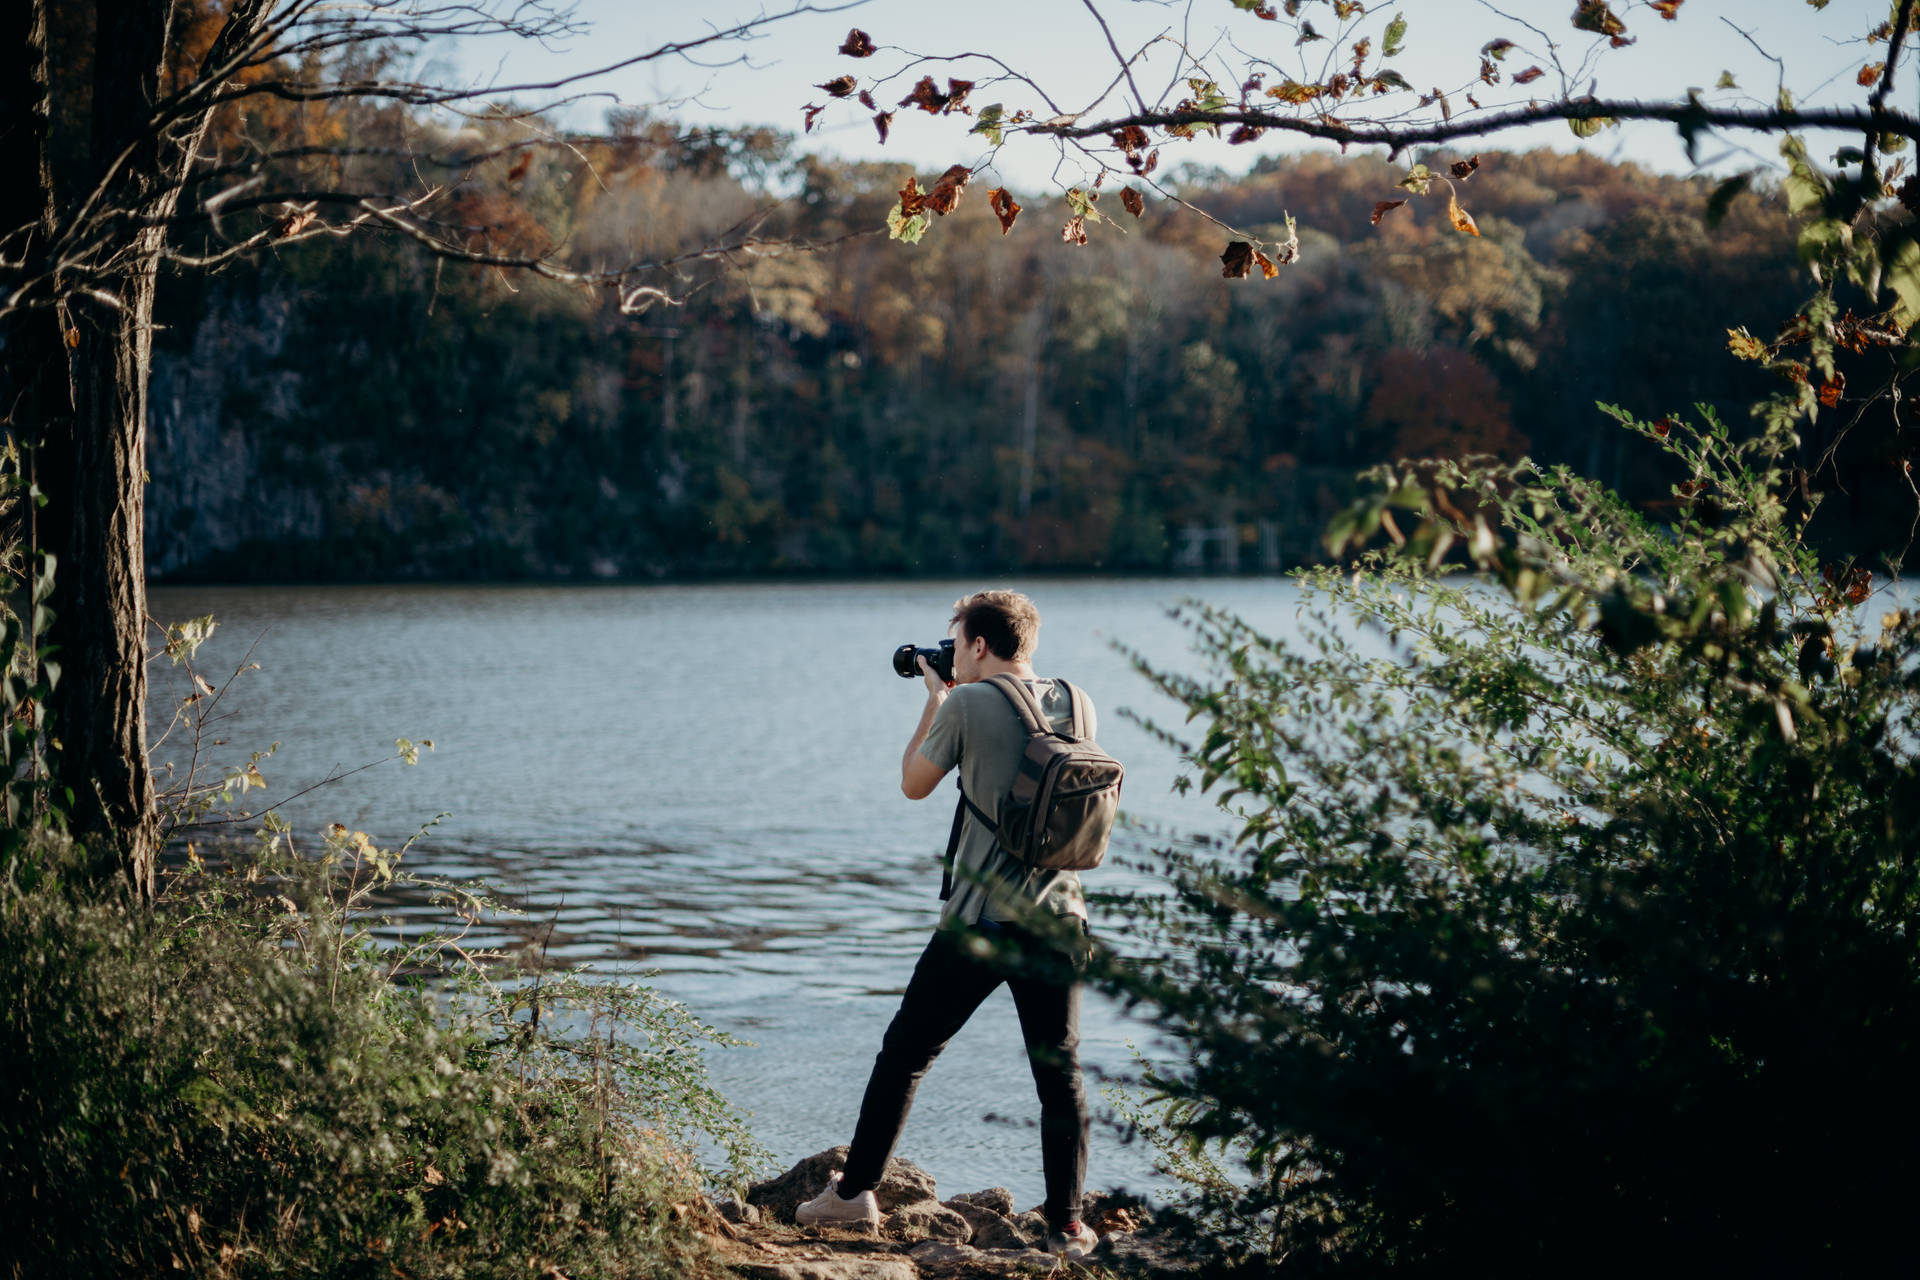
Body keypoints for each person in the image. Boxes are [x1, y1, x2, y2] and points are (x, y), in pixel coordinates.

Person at [795, 590, 1100, 1260]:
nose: (952, 651)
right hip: (1062, 917)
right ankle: (1069, 1226)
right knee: (1060, 1071)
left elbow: (914, 783)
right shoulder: (1077, 699)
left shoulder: (964, 702)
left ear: (980, 646)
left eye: (957, 640)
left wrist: (935, 700)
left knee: (906, 1053)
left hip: (982, 920)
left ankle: (853, 1195)